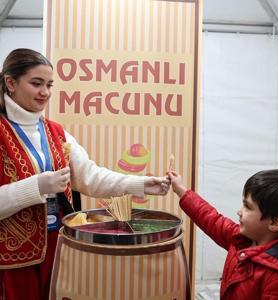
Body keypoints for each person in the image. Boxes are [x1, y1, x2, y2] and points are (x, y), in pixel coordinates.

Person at [0, 48, 170, 300]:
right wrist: (36, 186)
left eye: (49, 84)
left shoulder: (57, 132)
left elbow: (91, 177)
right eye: (36, 83)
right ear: (10, 83)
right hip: (11, 263)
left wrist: (142, 184)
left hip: (58, 247)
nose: (45, 92)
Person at [168, 169, 278, 300]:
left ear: (276, 222)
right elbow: (211, 219)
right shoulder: (241, 239)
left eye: (247, 206)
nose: (239, 211)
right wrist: (181, 190)